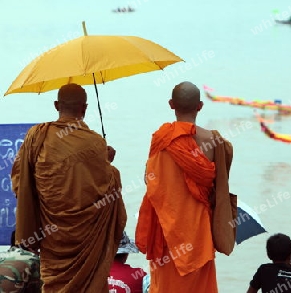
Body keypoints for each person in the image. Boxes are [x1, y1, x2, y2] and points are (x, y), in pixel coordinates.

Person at [11, 83, 127, 292]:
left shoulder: (36, 138)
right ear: (85, 108)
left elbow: (21, 184)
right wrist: (108, 164)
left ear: (56, 105)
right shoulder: (96, 143)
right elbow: (109, 190)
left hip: (52, 242)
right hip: (88, 250)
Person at [135, 81, 234, 293]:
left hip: (167, 232)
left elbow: (150, 181)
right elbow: (221, 185)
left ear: (171, 104)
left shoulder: (161, 138)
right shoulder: (214, 141)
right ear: (200, 106)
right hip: (198, 234)